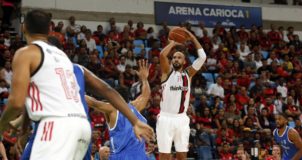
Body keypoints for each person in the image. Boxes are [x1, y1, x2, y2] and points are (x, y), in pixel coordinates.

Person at [0, 10, 153, 159]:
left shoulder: (26, 53)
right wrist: (135, 120)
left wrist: (1, 126)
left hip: (56, 125)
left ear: (23, 27)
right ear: (50, 29)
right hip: (82, 127)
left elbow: (16, 102)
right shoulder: (67, 61)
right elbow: (107, 90)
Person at [86, 60, 152, 160]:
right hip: (139, 156)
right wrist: (144, 79)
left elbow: (93, 102)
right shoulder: (136, 106)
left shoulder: (112, 108)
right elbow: (146, 94)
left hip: (121, 157)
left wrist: (73, 90)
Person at [157, 28, 206, 160]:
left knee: (182, 155)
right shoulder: (167, 72)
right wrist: (173, 43)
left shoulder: (188, 74)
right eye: (174, 57)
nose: (176, 59)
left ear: (184, 61)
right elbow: (162, 56)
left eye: (179, 57)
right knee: (164, 155)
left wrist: (192, 37)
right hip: (165, 118)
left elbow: (202, 57)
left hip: (182, 119)